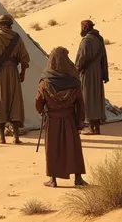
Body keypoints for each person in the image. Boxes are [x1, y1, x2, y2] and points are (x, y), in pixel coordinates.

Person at [35, 47, 87, 188]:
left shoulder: (45, 81)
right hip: (69, 119)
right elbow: (80, 103)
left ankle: (53, 180)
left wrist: (43, 112)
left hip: (52, 120)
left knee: (52, 149)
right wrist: (80, 121)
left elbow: (39, 102)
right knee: (74, 148)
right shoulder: (73, 80)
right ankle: (78, 179)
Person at [0, 14, 30, 144]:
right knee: (14, 102)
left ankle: (2, 137)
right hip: (13, 73)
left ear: (0, 24)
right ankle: (16, 137)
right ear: (10, 24)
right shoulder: (17, 38)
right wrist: (22, 74)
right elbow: (25, 60)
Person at [75, 19, 109, 134]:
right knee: (97, 99)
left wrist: (75, 71)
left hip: (88, 73)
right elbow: (104, 58)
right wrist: (104, 74)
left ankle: (91, 127)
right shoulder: (99, 39)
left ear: (85, 28)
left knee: (88, 98)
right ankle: (97, 127)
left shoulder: (86, 41)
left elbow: (81, 59)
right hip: (98, 72)